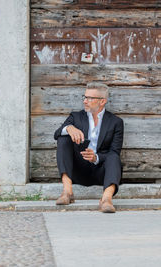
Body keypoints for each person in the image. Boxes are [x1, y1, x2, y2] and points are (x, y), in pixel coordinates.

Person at [53, 82, 124, 213]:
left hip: (101, 172)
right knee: (63, 139)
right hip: (78, 171)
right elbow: (56, 134)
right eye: (84, 97)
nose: (85, 101)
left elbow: (115, 151)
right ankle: (67, 192)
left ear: (102, 101)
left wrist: (96, 157)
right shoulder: (75, 117)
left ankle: (106, 199)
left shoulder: (116, 122)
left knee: (114, 157)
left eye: (89, 98)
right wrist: (69, 128)